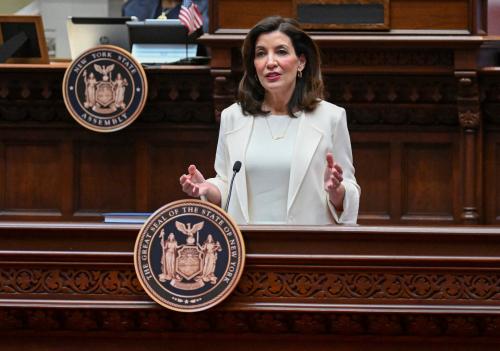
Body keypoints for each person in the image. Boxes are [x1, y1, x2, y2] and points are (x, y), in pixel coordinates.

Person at [179, 16, 360, 225]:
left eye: (281, 52)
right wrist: (208, 189)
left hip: (308, 247)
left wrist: (337, 191)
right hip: (248, 247)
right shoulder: (233, 117)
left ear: (301, 61)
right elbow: (227, 185)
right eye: (261, 54)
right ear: (254, 65)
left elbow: (349, 191)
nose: (270, 62)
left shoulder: (330, 118)